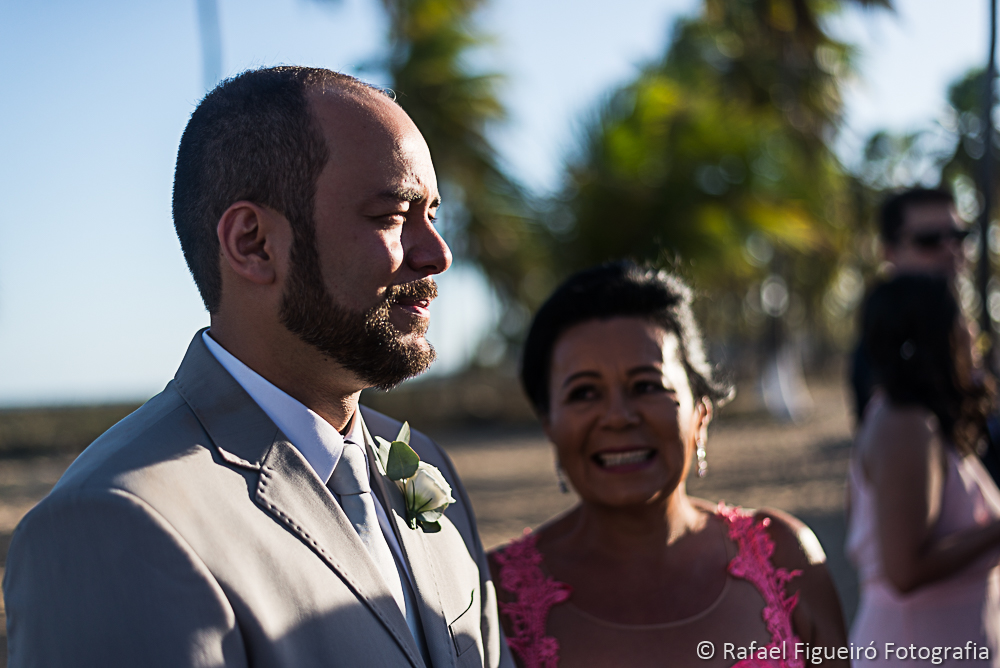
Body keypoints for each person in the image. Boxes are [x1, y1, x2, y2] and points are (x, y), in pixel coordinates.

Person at [4, 66, 511, 668]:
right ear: (253, 243)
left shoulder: (424, 464)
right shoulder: (111, 524)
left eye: (433, 214)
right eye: (392, 215)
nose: (438, 254)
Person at [488, 261, 848, 668]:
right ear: (549, 425)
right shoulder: (494, 594)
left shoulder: (784, 557)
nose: (618, 416)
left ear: (701, 412)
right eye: (584, 393)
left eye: (647, 386)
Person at [847, 275, 1000, 667]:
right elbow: (904, 570)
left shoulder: (924, 423)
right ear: (937, 334)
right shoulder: (905, 427)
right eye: (961, 319)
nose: (972, 333)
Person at [849, 188, 968, 424]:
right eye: (929, 240)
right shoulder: (884, 352)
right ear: (889, 253)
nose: (949, 249)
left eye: (958, 235)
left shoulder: (962, 336)